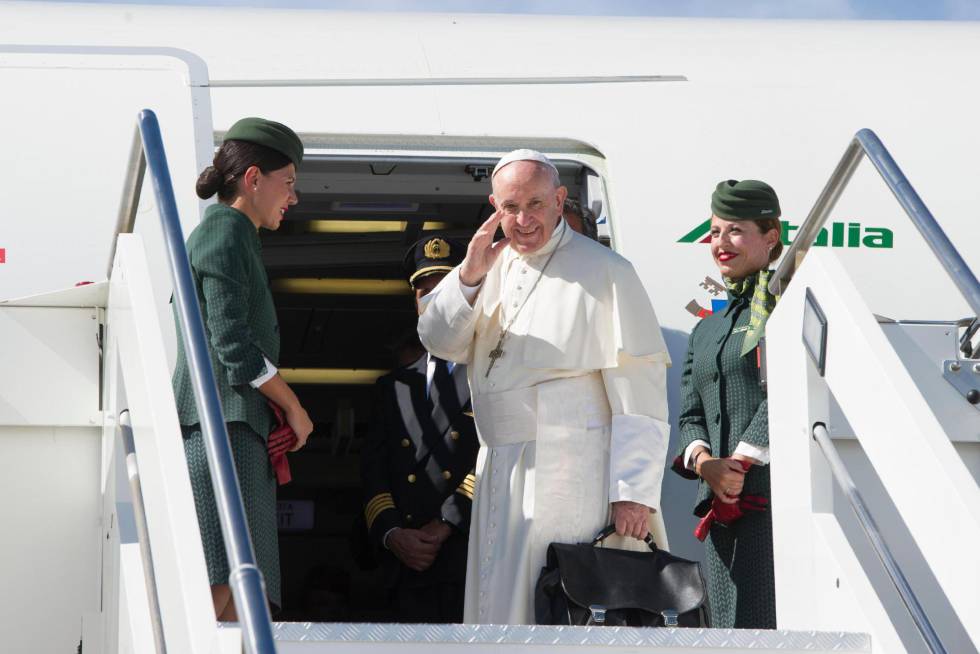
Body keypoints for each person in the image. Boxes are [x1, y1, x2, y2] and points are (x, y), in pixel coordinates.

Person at [417, 149, 671, 625]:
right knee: (500, 602)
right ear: (494, 206)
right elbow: (438, 340)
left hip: (570, 465)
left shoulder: (607, 270)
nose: (523, 219)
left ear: (558, 201)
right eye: (510, 208)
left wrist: (633, 490)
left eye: (535, 204)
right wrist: (469, 275)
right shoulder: (487, 267)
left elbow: (640, 389)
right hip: (499, 464)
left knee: (558, 601)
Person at [173, 117, 314, 620]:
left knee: (239, 599)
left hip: (234, 431)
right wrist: (294, 407)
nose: (293, 198)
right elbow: (231, 343)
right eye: (289, 183)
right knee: (220, 591)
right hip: (221, 432)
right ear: (253, 179)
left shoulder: (236, 235)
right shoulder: (224, 230)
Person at [671, 179, 782, 629]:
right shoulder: (708, 324)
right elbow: (689, 412)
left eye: (735, 230)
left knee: (769, 622)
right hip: (719, 505)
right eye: (715, 232)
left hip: (774, 499)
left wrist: (740, 462)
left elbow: (794, 388)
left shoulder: (787, 303)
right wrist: (705, 464)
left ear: (770, 236)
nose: (720, 243)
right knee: (727, 629)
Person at [361, 235, 480, 623]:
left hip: (468, 556)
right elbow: (373, 474)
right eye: (422, 291)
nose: (431, 298)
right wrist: (393, 533)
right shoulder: (392, 386)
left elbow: (501, 458)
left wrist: (447, 521)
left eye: (442, 289)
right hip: (406, 566)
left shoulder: (493, 372)